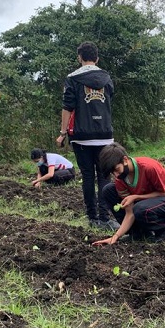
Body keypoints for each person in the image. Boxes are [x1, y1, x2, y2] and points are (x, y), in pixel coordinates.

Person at [55, 41, 118, 231]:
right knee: (104, 176)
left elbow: (68, 107)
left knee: (88, 176)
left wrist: (62, 133)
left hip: (82, 135)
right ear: (97, 58)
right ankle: (105, 217)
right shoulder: (107, 78)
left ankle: (92, 217)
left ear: (79, 58)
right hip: (105, 134)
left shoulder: (72, 79)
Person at [92, 143, 165, 245]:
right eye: (113, 173)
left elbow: (164, 193)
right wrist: (115, 236)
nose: (116, 175)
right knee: (108, 190)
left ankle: (163, 226)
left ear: (125, 160)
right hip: (146, 202)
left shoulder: (148, 167)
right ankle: (138, 233)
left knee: (140, 208)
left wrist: (136, 197)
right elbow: (129, 212)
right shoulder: (120, 179)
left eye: (117, 169)